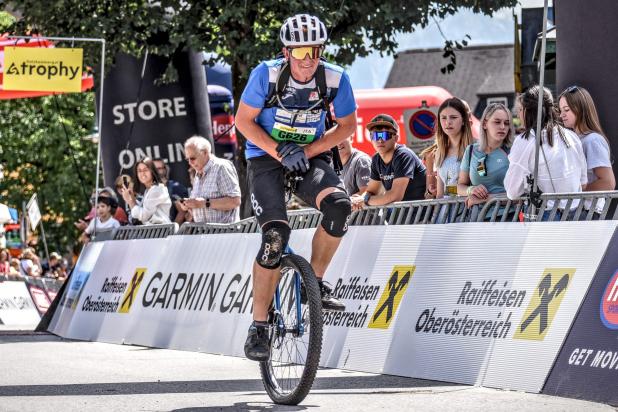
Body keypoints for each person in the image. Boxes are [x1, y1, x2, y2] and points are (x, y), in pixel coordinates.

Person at [235, 14, 357, 361]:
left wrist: (304, 151)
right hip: (265, 156)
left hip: (308, 154)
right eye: (300, 51)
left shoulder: (335, 78)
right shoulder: (267, 74)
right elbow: (243, 121)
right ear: (286, 51)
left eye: (315, 50)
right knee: (275, 236)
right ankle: (259, 325)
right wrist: (279, 151)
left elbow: (347, 126)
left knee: (339, 205)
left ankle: (313, 283)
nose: (308, 59)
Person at [504, 85, 587, 220]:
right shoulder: (571, 136)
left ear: (527, 111)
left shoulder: (525, 141)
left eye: (520, 109)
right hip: (575, 214)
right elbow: (583, 182)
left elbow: (512, 192)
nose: (518, 115)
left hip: (545, 216)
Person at [558, 86, 615, 215]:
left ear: (580, 109)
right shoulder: (576, 139)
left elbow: (608, 183)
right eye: (561, 110)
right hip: (579, 211)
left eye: (566, 110)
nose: (562, 115)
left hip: (589, 212)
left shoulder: (592, 140)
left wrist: (577, 190)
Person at [351, 114, 426, 210]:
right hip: (403, 216)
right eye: (375, 135)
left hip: (423, 217)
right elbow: (371, 191)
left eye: (385, 135)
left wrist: (365, 201)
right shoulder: (376, 159)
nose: (380, 140)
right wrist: (361, 198)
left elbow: (395, 196)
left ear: (396, 138)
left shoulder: (403, 155)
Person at [458, 103, 514, 216]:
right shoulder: (471, 150)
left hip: (508, 218)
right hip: (476, 219)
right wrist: (471, 190)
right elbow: (456, 187)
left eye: (507, 123)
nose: (503, 127)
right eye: (497, 122)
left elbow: (521, 195)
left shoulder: (513, 152)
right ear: (484, 124)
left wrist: (487, 198)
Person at [178, 136, 241, 224]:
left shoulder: (221, 167)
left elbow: (235, 201)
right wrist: (189, 205)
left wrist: (203, 203)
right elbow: (202, 207)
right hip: (205, 233)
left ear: (205, 153)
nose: (190, 162)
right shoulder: (198, 173)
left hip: (226, 233)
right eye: (187, 159)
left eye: (192, 158)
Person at [434, 97, 474, 198]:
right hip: (445, 209)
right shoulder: (440, 151)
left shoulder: (475, 149)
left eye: (453, 117)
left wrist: (450, 190)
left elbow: (478, 184)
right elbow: (440, 193)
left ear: (464, 120)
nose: (448, 122)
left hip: (467, 208)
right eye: (443, 118)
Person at [120, 157, 172, 225]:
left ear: (152, 171)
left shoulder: (157, 189)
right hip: (154, 232)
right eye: (139, 171)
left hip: (162, 233)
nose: (142, 173)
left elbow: (144, 216)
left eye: (145, 170)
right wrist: (131, 198)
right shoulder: (148, 190)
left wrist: (130, 201)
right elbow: (137, 216)